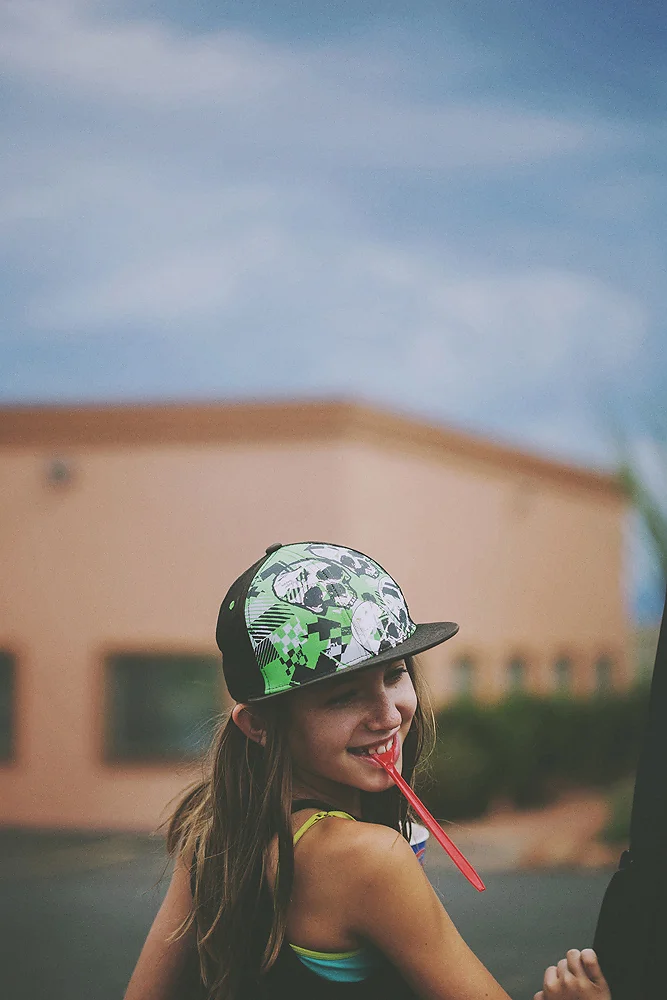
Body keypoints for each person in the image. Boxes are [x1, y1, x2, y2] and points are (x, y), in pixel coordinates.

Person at [124, 541, 612, 1000]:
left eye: (394, 674)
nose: (388, 715)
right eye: (344, 696)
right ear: (260, 725)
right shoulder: (372, 859)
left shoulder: (214, 827)